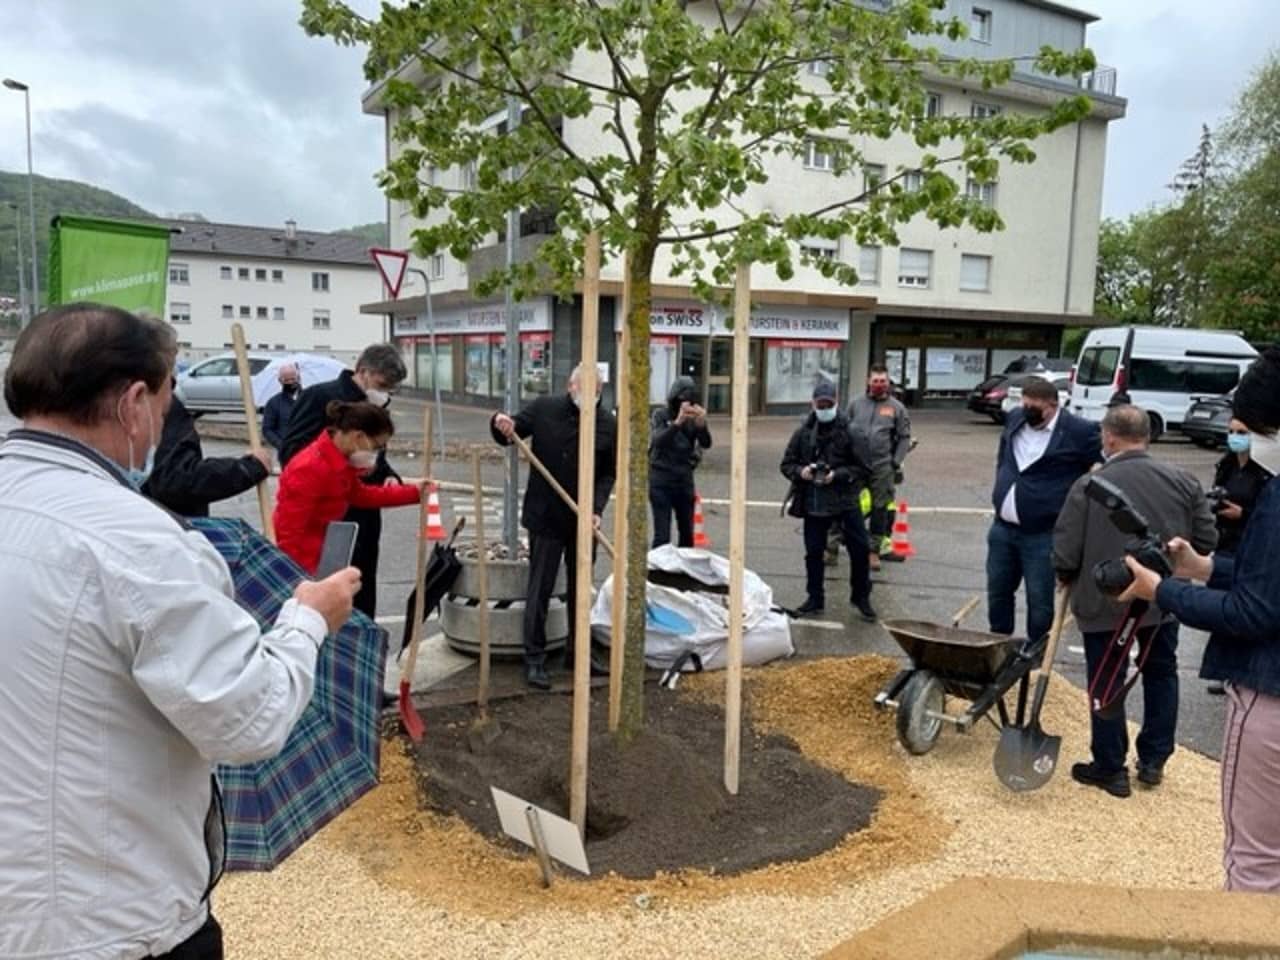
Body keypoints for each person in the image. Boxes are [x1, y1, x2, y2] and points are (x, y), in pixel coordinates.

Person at [0, 303, 359, 960]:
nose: (161, 426)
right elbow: (248, 718)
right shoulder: (137, 542)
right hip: (115, 918)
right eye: (166, 406)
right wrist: (308, 619)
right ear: (135, 402)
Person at [1119, 347, 1280, 893]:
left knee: (1254, 864)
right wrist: (1205, 567)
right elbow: (1269, 580)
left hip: (1269, 695)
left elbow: (1256, 610)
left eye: (1255, 429)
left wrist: (1163, 588)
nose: (1250, 442)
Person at [1052, 404, 1217, 798]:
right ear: (1148, 435)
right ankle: (1154, 760)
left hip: (1105, 600)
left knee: (1105, 679)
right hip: (1163, 600)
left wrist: (1063, 574)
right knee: (1162, 673)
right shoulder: (1184, 481)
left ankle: (1110, 766)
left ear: (1108, 437)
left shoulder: (1090, 485)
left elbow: (1066, 547)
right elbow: (1207, 542)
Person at [491, 364, 617, 690]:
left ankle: (579, 653)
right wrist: (500, 423)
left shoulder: (608, 424)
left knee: (581, 589)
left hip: (583, 518)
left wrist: (597, 509)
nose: (588, 396)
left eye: (596, 391)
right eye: (582, 389)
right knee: (541, 587)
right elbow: (511, 432)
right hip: (546, 515)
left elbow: (608, 473)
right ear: (570, 386)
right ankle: (534, 658)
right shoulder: (545, 408)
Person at [279, 344, 407, 617]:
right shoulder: (319, 397)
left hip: (365, 515)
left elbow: (377, 457)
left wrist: (390, 477)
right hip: (328, 517)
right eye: (382, 384)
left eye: (391, 389)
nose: (384, 393)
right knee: (328, 598)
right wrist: (342, 464)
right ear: (363, 371)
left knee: (362, 589)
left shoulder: (377, 405)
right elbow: (291, 451)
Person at [987, 376, 1101, 646]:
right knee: (998, 591)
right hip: (1003, 529)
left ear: (1053, 406)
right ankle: (997, 645)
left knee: (1039, 600)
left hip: (1043, 533)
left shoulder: (1079, 431)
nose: (1027, 412)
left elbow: (1102, 461)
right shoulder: (1015, 419)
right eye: (1024, 405)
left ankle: (1036, 652)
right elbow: (1004, 455)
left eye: (1034, 408)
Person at [274, 401, 424, 575]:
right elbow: (289, 532)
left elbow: (360, 495)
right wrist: (298, 578)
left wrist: (414, 492)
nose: (376, 453)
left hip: (325, 552)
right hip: (304, 562)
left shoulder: (339, 462)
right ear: (359, 437)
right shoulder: (309, 468)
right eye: (376, 446)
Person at [780, 379, 876, 622]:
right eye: (820, 404)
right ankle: (814, 598)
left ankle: (861, 596)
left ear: (836, 402)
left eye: (828, 404)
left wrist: (838, 475)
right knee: (813, 552)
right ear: (813, 403)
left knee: (859, 549)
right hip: (814, 501)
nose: (824, 408)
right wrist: (802, 472)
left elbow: (865, 468)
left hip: (845, 500)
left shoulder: (852, 431)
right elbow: (787, 464)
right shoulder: (803, 433)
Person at [142, 393, 271, 517]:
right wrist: (247, 468)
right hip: (166, 525)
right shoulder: (156, 397)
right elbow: (173, 478)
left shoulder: (151, 395)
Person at [847, 365, 912, 570]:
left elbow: (904, 437)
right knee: (847, 505)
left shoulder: (897, 408)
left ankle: (873, 551)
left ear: (888, 382)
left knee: (879, 509)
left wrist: (895, 461)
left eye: (882, 381)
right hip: (856, 465)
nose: (879, 385)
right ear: (868, 382)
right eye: (875, 381)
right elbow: (844, 430)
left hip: (882, 466)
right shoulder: (855, 404)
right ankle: (835, 546)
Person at [649, 376, 711, 548]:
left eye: (690, 401)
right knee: (662, 535)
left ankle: (684, 569)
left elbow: (706, 443)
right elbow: (658, 441)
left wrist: (701, 425)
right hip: (661, 479)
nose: (686, 404)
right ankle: (658, 571)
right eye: (682, 400)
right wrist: (677, 422)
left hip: (684, 479)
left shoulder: (693, 419)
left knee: (687, 532)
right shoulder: (661, 415)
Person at [262, 362, 301, 452]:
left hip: (307, 449)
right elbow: (267, 429)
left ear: (298, 378)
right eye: (286, 380)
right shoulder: (273, 403)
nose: (290, 382)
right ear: (280, 381)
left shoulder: (308, 398)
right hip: (285, 451)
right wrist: (281, 445)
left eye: (293, 379)